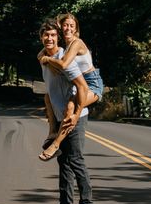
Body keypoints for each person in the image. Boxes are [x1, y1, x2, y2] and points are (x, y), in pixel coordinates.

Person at [39, 19, 95, 204]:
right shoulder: (43, 59)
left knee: (75, 159)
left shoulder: (64, 60)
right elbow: (49, 92)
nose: (50, 38)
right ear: (41, 37)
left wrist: (76, 113)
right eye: (46, 35)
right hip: (59, 116)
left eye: (53, 35)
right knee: (63, 162)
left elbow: (83, 87)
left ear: (58, 38)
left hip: (75, 117)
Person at [38, 12, 103, 161]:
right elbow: (40, 54)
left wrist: (47, 58)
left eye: (71, 26)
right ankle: (52, 132)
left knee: (71, 107)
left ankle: (55, 144)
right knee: (47, 97)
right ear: (61, 27)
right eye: (65, 25)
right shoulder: (65, 45)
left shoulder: (76, 43)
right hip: (79, 83)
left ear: (76, 29)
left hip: (92, 84)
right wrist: (43, 57)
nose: (68, 28)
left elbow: (64, 64)